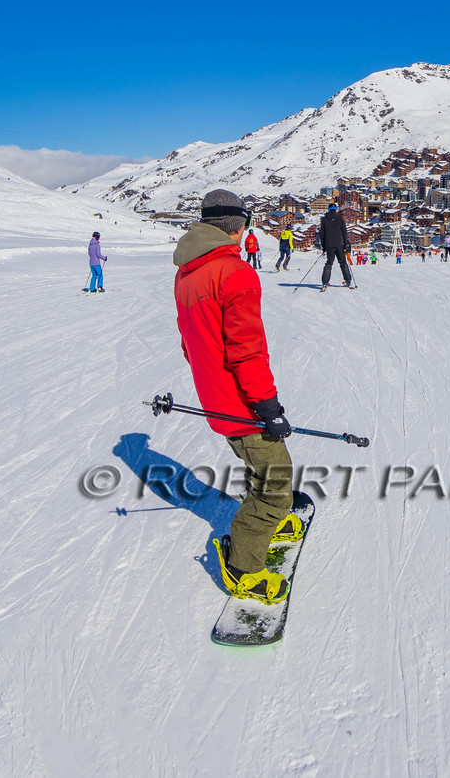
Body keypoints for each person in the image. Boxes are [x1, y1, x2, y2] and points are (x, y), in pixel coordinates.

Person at [173, 189, 301, 604]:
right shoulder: (234, 272)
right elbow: (246, 351)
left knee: (258, 466)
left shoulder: (188, 271)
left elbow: (189, 342)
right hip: (241, 402)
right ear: (238, 226)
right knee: (276, 480)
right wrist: (267, 406)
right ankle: (243, 566)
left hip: (214, 395)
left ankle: (269, 520)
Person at [318, 202, 354, 289]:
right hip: (340, 243)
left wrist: (324, 247)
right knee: (342, 262)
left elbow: (322, 234)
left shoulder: (324, 219)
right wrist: (345, 244)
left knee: (329, 263)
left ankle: (325, 282)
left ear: (328, 209)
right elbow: (344, 232)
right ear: (336, 209)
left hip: (329, 244)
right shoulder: (340, 218)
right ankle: (348, 280)